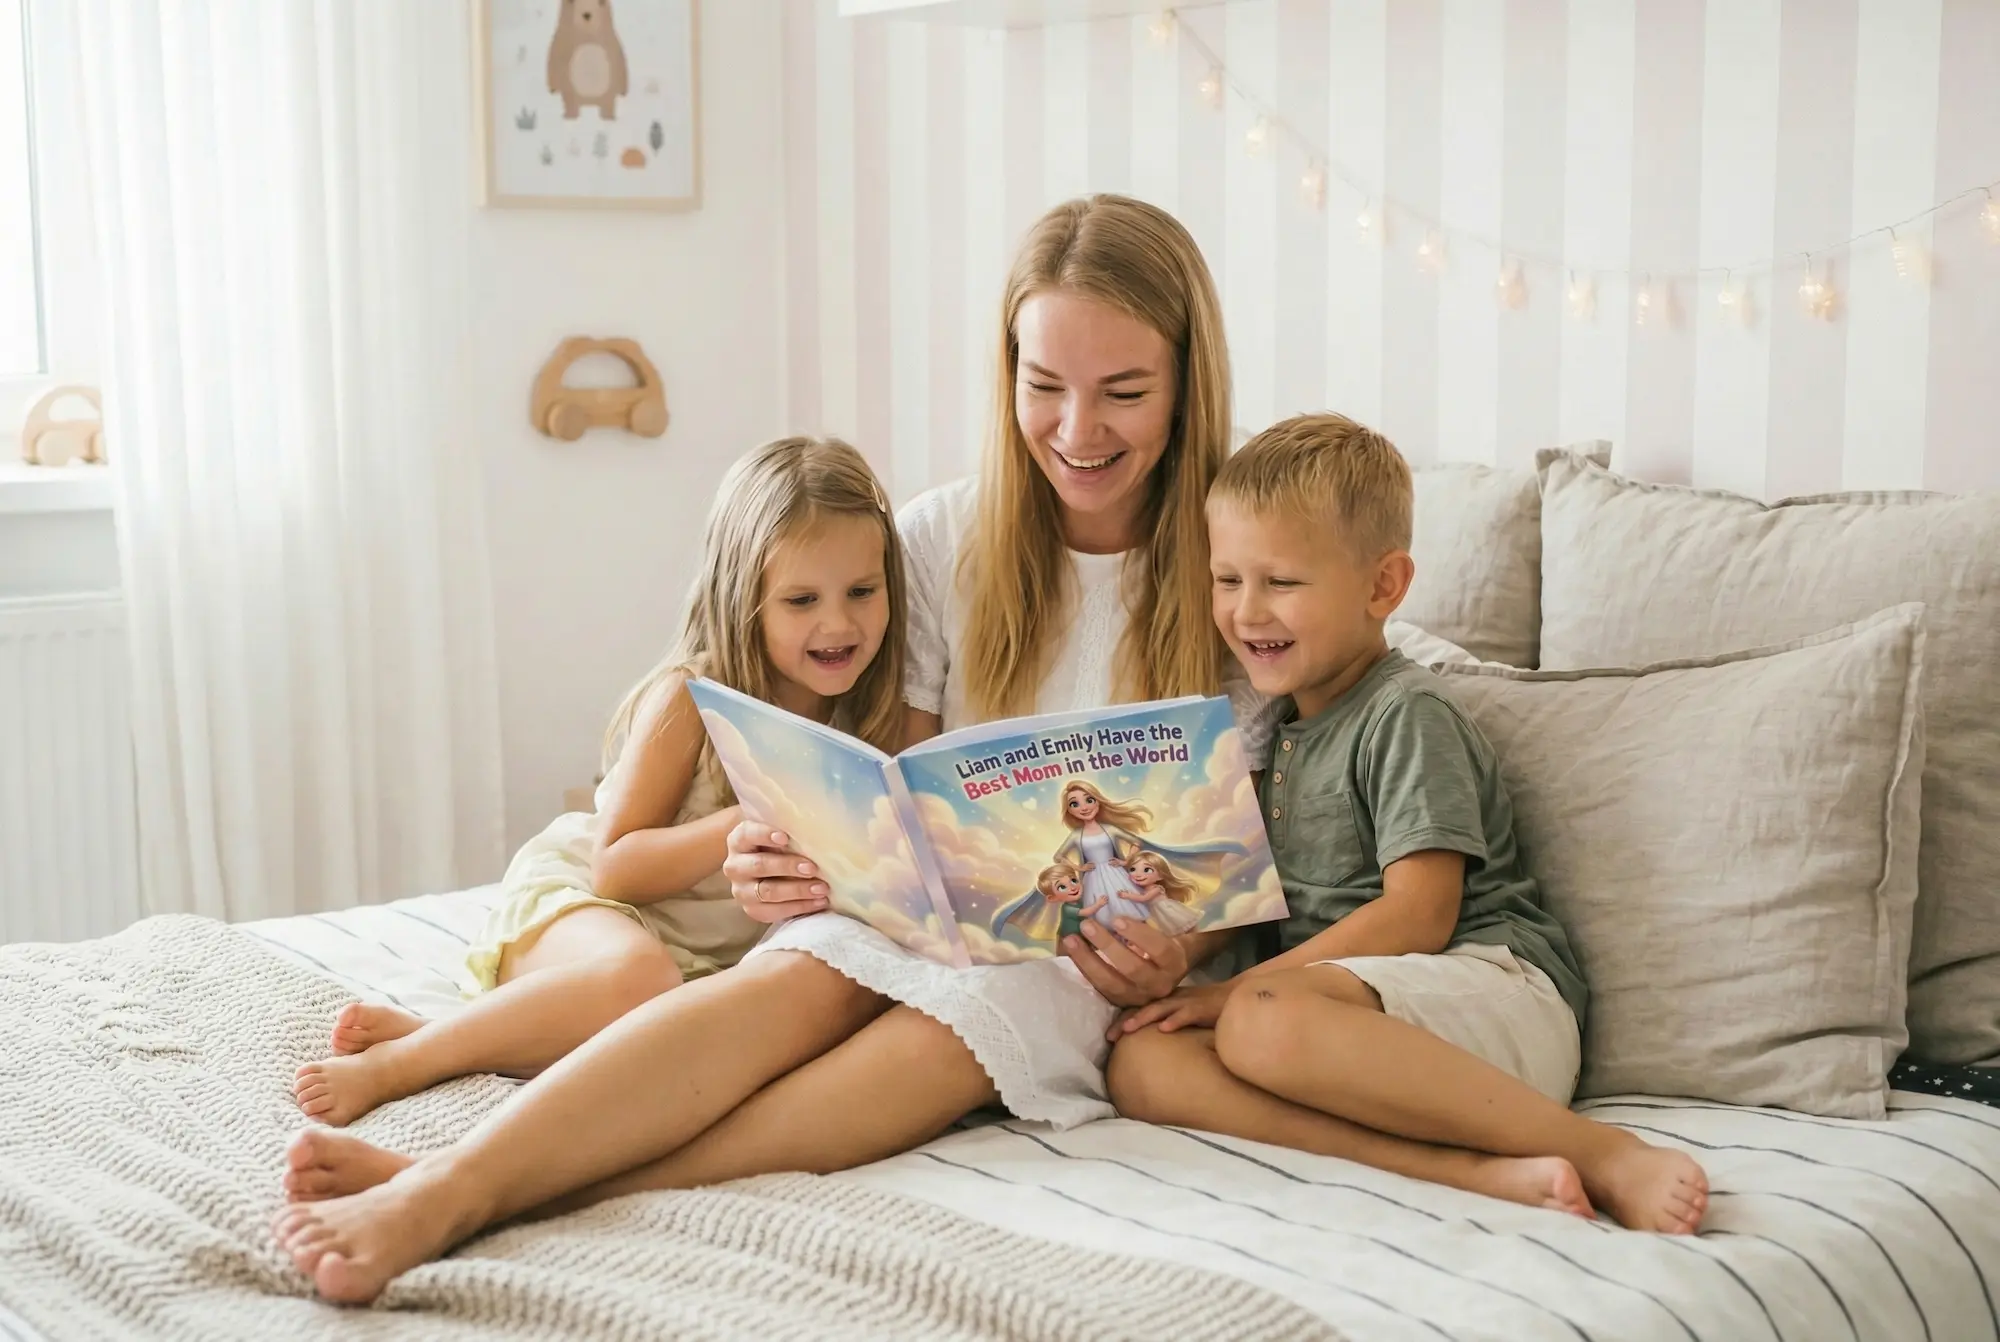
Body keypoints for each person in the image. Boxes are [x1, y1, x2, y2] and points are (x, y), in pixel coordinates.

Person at [271, 194, 1273, 1303]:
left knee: (966, 1021)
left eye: (1122, 393)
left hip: (1082, 966)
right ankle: (451, 1179)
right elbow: (896, 773)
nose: (1077, 431)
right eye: (1043, 387)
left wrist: (1177, 953)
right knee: (799, 978)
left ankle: (481, 1189)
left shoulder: (1240, 565)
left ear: (1187, 382)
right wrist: (788, 851)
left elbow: (1244, 849)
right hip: (930, 915)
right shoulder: (941, 539)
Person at [1106, 413, 1709, 1234]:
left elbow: (1421, 911)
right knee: (1142, 1062)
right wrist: (1179, 957)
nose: (1247, 612)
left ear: (1383, 587)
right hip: (1348, 1027)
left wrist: (1243, 993)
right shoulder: (1276, 734)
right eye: (1228, 580)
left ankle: (1606, 1152)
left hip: (1490, 996)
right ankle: (1461, 1171)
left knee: (1257, 1019)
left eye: (1280, 582)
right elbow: (1261, 898)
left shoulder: (1405, 712)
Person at [290, 436, 907, 1128]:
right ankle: (408, 1061)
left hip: (688, 970)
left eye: (862, 591)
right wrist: (744, 819)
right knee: (641, 983)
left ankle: (473, 1034)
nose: (838, 623)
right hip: (588, 909)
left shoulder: (864, 718)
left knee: (679, 1039)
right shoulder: (691, 697)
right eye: (801, 600)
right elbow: (614, 868)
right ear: (745, 599)